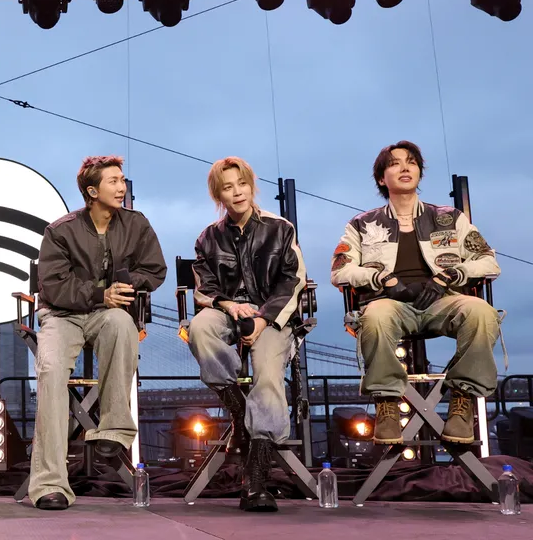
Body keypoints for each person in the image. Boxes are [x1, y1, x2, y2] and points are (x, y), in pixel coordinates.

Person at [332, 141, 501, 445]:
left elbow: (489, 261)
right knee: (375, 317)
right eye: (395, 163)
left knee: (482, 312)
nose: (405, 167)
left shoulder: (450, 217)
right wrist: (383, 279)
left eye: (411, 162)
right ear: (382, 179)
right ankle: (386, 404)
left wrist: (451, 275)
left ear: (420, 173)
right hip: (391, 302)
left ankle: (461, 404)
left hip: (444, 300)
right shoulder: (362, 224)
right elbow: (340, 271)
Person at [29, 155, 166, 511]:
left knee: (123, 323)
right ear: (92, 191)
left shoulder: (137, 225)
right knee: (51, 371)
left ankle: (114, 431)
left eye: (122, 180)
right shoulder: (60, 231)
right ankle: (48, 485)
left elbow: (155, 269)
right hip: (62, 315)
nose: (121, 187)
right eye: (113, 181)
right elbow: (55, 288)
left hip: (110, 314)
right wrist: (99, 293)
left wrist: (127, 283)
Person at [185, 157, 308, 512]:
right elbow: (203, 286)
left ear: (252, 186)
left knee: (267, 376)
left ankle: (256, 482)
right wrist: (228, 305)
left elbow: (292, 280)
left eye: (242, 183)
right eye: (228, 187)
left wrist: (263, 318)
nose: (237, 191)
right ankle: (239, 413)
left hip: (271, 315)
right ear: (218, 195)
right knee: (200, 327)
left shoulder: (280, 228)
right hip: (229, 311)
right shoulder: (208, 237)